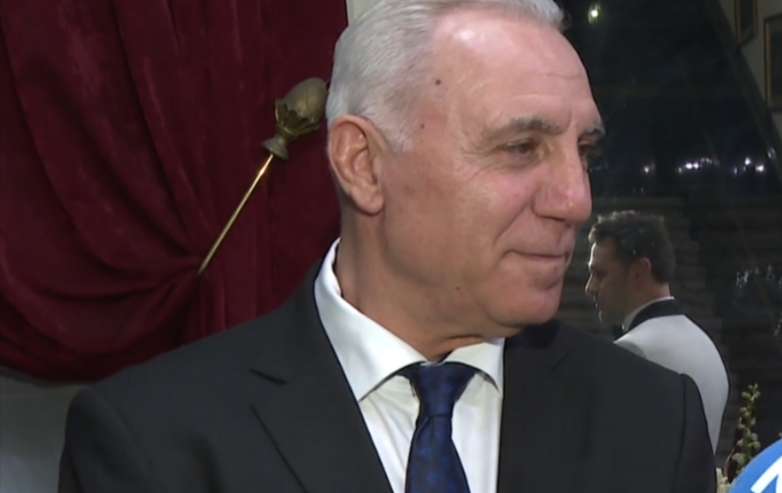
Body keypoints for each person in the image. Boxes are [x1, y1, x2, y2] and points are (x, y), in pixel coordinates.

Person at [58, 1, 716, 492]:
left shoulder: (653, 421)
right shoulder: (154, 443)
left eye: (584, 151)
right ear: (363, 164)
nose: (575, 199)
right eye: (521, 147)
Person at [585, 210, 730, 455]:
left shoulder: (634, 350)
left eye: (600, 274)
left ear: (639, 272)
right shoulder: (705, 344)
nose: (590, 287)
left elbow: (610, 454)